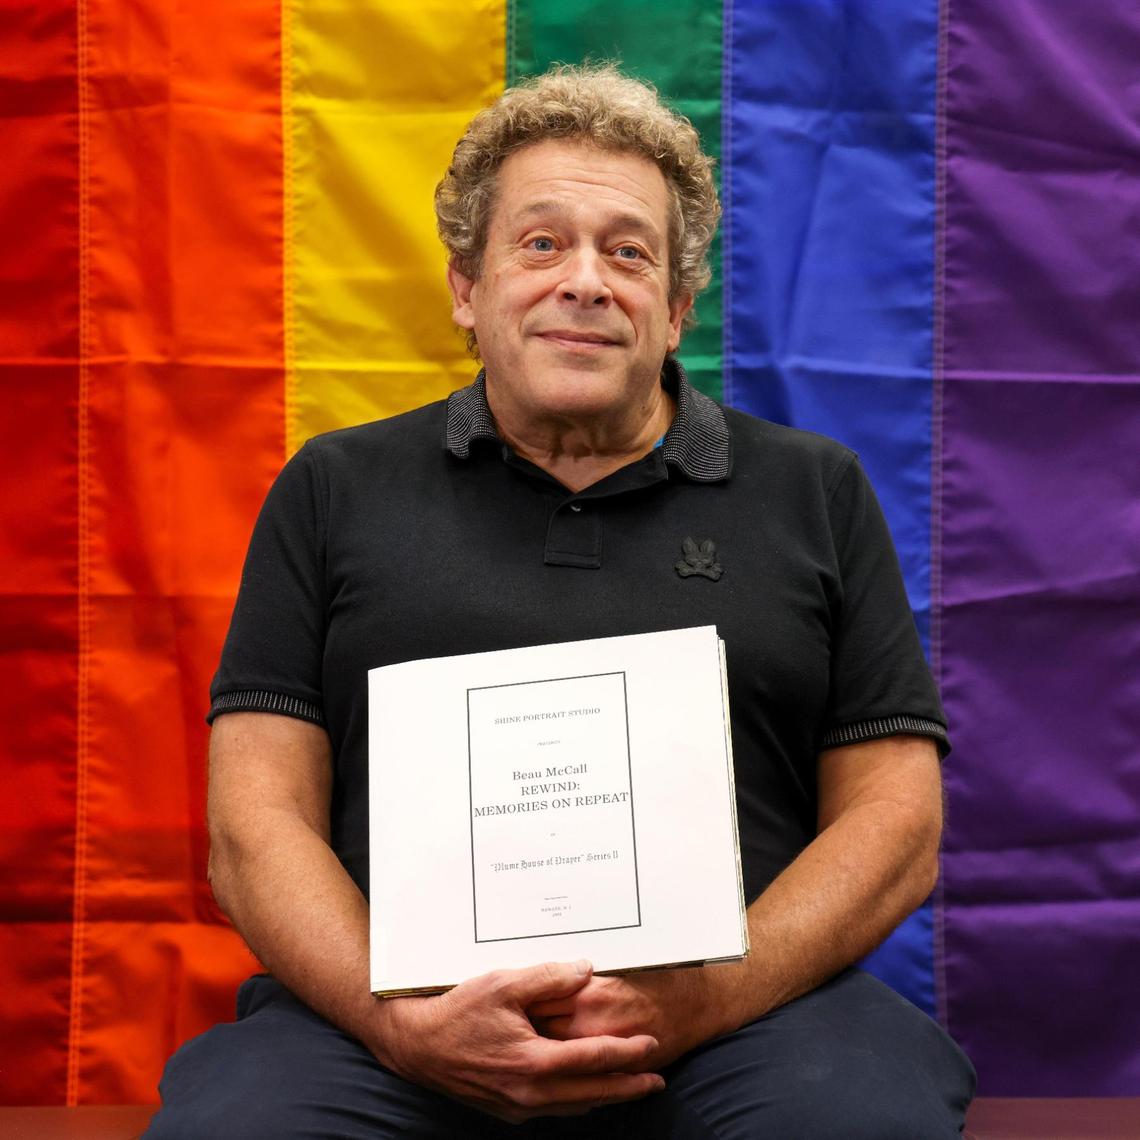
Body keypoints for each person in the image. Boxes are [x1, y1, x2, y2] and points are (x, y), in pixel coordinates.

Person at [147, 64, 975, 1137]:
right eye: (540, 244)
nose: (585, 281)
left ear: (676, 309)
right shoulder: (332, 488)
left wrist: (704, 1000)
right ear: (466, 288)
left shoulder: (813, 490)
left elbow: (897, 822)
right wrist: (402, 1018)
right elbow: (253, 826)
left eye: (627, 252)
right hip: (387, 1023)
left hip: (749, 1019)